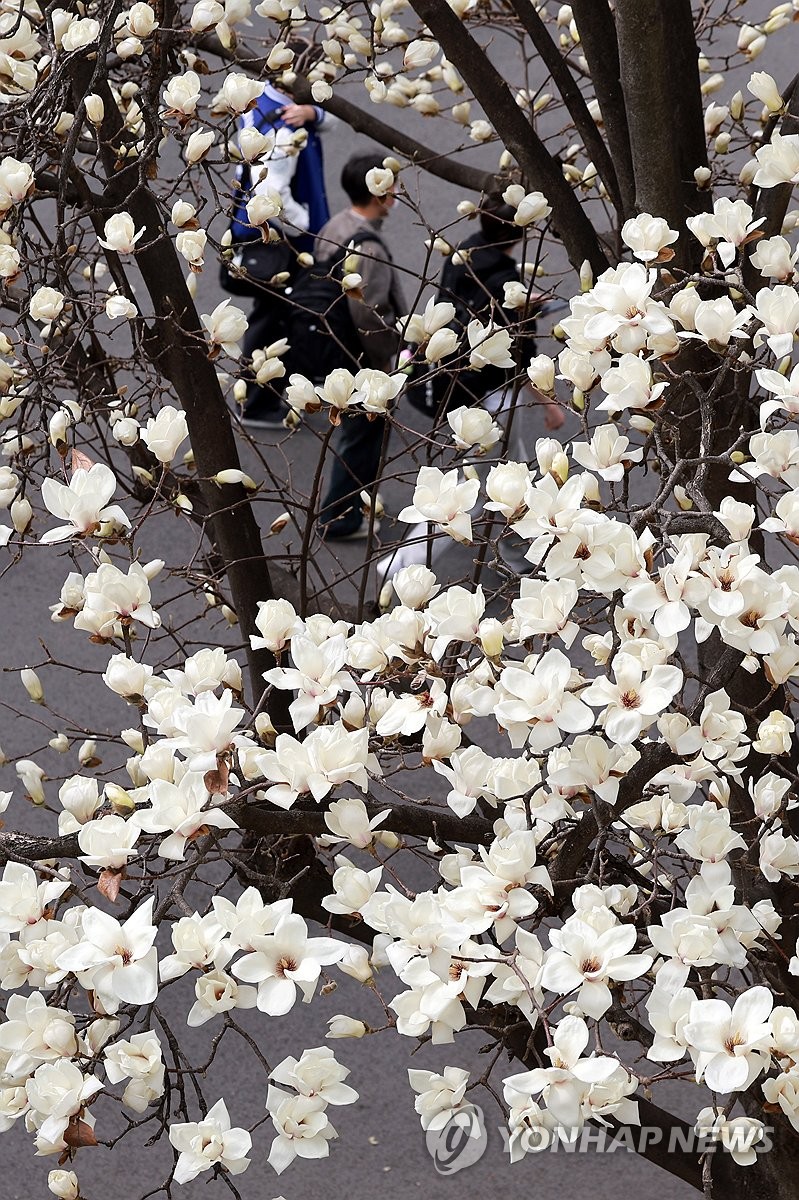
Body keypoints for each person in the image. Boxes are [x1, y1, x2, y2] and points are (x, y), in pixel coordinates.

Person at [230, 81, 335, 428]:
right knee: (271, 314)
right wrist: (308, 226)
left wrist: (313, 113)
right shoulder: (284, 129)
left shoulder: (257, 100)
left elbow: (331, 119)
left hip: (256, 233)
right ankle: (257, 402)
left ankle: (266, 390)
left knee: (271, 311)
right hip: (278, 238)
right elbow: (275, 196)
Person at [315, 153, 405, 541]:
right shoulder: (370, 249)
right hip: (359, 356)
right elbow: (368, 314)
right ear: (380, 193)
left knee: (355, 434)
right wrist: (390, 355)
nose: (398, 192)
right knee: (362, 436)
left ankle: (355, 502)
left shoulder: (335, 224)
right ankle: (341, 516)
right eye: (393, 185)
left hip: (330, 344)